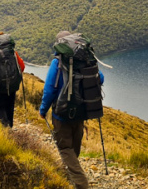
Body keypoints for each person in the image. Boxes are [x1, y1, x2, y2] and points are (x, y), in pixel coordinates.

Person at [39, 31, 104, 189]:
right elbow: (100, 78)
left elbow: (49, 90)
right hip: (82, 110)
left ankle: (80, 182)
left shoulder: (58, 62)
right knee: (74, 145)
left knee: (64, 147)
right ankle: (71, 175)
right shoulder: (85, 59)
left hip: (62, 113)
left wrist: (43, 110)